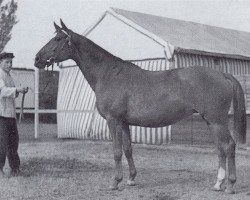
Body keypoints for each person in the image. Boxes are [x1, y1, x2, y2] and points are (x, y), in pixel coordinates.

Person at [0, 52, 28, 178]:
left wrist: (19, 91)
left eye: (11, 62)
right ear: (0, 62)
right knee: (2, 143)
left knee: (13, 142)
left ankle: (15, 168)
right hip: (1, 115)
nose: (10, 64)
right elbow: (2, 91)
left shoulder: (8, 76)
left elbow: (10, 94)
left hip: (10, 114)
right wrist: (17, 90)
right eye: (7, 62)